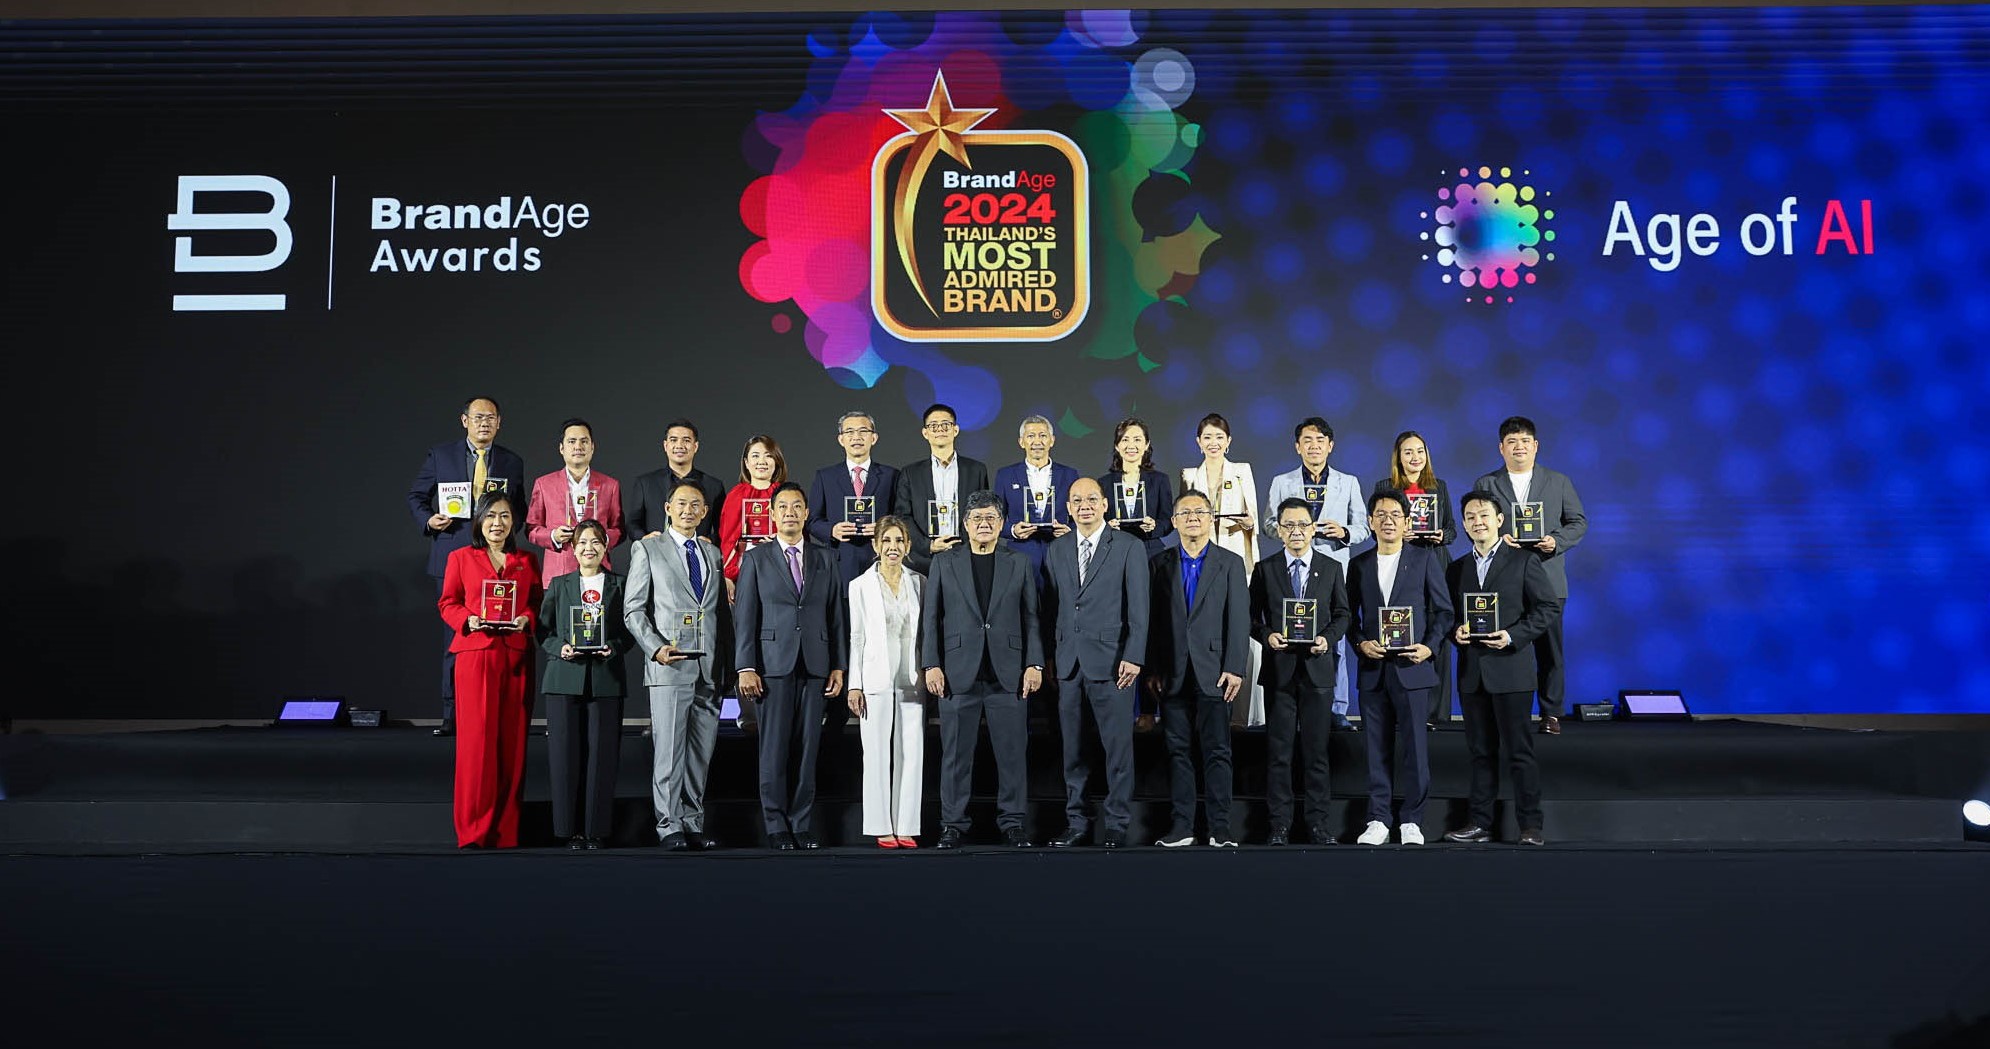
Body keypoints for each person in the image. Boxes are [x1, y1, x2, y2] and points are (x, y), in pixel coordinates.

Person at [921, 490, 1044, 849]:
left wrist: (1034, 663)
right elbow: (932, 618)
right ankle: (952, 824)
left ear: (1002, 523)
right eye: (977, 518)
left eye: (991, 517)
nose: (984, 524)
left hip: (1009, 674)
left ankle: (1013, 823)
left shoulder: (1018, 562)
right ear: (965, 524)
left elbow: (1031, 617)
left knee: (1012, 756)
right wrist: (932, 663)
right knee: (955, 757)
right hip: (957, 674)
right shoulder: (944, 562)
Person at [1444, 490, 1563, 846]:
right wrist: (1455, 632)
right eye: (1470, 517)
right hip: (1472, 673)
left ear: (1499, 520)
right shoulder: (1456, 568)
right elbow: (1447, 616)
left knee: (1519, 753)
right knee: (1480, 753)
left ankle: (1531, 826)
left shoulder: (1523, 561)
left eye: (1483, 515)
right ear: (1464, 524)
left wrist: (1513, 636)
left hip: (1512, 671)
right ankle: (1480, 823)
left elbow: (1547, 608)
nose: (1477, 522)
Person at [734, 482, 846, 849]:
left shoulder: (826, 558)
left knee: (808, 749)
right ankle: (776, 825)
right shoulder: (756, 558)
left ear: (806, 513)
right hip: (772, 666)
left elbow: (836, 616)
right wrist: (746, 666)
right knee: (774, 749)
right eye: (783, 507)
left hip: (815, 664)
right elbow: (745, 616)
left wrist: (838, 666)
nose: (790, 513)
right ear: (772, 514)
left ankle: (800, 824)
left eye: (797, 506)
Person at [408, 395, 527, 737]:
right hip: (452, 554)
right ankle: (452, 714)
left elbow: (518, 507)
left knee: (495, 638)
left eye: (490, 418)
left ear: (499, 423)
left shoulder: (511, 461)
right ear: (465, 421)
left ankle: (491, 709)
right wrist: (429, 520)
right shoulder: (441, 455)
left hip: (495, 559)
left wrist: (504, 535)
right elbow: (416, 496)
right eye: (478, 417)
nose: (484, 423)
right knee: (457, 636)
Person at [1043, 478, 1149, 848]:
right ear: (1068, 508)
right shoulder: (1057, 548)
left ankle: (1117, 823)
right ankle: (1077, 822)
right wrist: (1050, 655)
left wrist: (1134, 655)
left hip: (1114, 662)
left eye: (1091, 499)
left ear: (1105, 504)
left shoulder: (1128, 546)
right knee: (1073, 751)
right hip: (1069, 663)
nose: (1084, 505)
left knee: (1117, 750)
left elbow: (1139, 608)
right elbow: (1051, 607)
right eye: (1077, 500)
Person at [625, 479, 730, 851]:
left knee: (700, 754)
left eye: (696, 504)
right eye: (681, 503)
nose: (689, 510)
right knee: (669, 752)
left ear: (705, 512)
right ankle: (668, 825)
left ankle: (692, 822)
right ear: (668, 508)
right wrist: (655, 649)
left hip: (709, 668)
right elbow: (633, 610)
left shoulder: (712, 553)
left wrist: (729, 665)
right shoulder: (647, 548)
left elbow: (719, 615)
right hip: (669, 666)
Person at [1346, 490, 1452, 847]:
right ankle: (1378, 818)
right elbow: (1347, 616)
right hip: (1373, 670)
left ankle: (1412, 820)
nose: (1388, 520)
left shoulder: (1424, 559)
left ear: (1407, 522)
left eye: (1395, 514)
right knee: (1375, 748)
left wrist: (1429, 647)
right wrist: (1361, 643)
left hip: (1412, 668)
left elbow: (1444, 612)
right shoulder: (1359, 565)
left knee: (1415, 749)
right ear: (1370, 521)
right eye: (1381, 514)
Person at [436, 488, 540, 848]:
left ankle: (505, 831)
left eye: (505, 516)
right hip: (476, 656)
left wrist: (527, 619)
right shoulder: (461, 557)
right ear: (479, 520)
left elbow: (536, 604)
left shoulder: (527, 560)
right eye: (491, 516)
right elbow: (448, 602)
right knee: (477, 746)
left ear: (514, 522)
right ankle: (474, 831)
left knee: (513, 745)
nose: (498, 523)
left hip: (516, 657)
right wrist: (468, 620)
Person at [1145, 490, 1248, 848]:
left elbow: (1239, 619)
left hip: (1215, 672)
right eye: (1185, 513)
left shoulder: (1230, 562)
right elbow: (1152, 622)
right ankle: (1182, 828)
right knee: (1177, 752)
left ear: (1211, 518)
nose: (1192, 518)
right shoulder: (1159, 563)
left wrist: (1234, 667)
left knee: (1218, 751)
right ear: (1173, 521)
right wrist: (1152, 668)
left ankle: (1220, 828)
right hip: (1171, 673)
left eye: (1200, 512)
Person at [1472, 416, 1587, 735]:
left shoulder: (1558, 481)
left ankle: (1551, 713)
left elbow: (1578, 522)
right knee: (1504, 648)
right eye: (1512, 442)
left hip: (1548, 577)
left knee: (1550, 650)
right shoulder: (1487, 484)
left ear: (1535, 446)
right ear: (1501, 448)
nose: (1518, 447)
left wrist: (1556, 541)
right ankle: (1505, 712)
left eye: (1524, 441)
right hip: (1504, 579)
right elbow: (1477, 522)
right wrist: (1499, 539)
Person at [1250, 497, 1352, 845]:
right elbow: (1250, 617)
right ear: (1279, 531)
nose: (1296, 531)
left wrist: (1327, 639)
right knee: (1279, 754)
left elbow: (1343, 614)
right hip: (1279, 672)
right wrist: (1267, 635)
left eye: (1303, 525)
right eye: (1289, 525)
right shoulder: (1265, 569)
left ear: (1313, 529)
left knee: (1316, 753)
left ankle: (1318, 825)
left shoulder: (1331, 567)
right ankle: (1279, 825)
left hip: (1317, 671)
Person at [1262, 416, 1368, 732]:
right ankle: (1295, 704)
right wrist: (1296, 531)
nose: (1314, 446)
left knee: (1334, 636)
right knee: (1291, 634)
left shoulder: (1348, 482)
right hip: (1293, 566)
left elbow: (1363, 528)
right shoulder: (1282, 482)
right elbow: (1269, 524)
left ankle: (1337, 708)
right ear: (1297, 447)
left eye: (1320, 440)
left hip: (1333, 568)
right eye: (1307, 440)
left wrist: (1343, 532)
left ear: (1330, 446)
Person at [537, 519, 628, 850]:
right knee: (564, 757)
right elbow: (542, 630)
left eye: (596, 542)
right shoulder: (559, 584)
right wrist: (558, 647)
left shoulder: (620, 584)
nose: (589, 548)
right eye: (582, 543)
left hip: (606, 678)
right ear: (572, 549)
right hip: (564, 677)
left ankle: (596, 830)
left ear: (606, 547)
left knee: (602, 757)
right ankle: (568, 831)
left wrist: (613, 647)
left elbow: (630, 629)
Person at [1179, 412, 1267, 728]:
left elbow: (1254, 519)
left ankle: (1245, 712)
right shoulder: (1190, 475)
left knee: (1240, 630)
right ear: (1198, 442)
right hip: (1201, 560)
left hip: (1236, 559)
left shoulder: (1241, 471)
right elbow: (1184, 518)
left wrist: (1248, 522)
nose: (1213, 443)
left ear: (1228, 441)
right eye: (1207, 437)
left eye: (1219, 437)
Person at [846, 516, 927, 848]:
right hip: (874, 676)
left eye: (899, 541)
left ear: (908, 546)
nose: (893, 547)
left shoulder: (920, 582)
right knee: (876, 752)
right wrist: (854, 684)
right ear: (876, 545)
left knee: (912, 751)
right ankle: (881, 825)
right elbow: (856, 637)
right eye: (887, 541)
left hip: (912, 676)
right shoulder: (859, 585)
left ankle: (906, 824)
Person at [1375, 430, 1458, 731]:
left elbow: (1451, 529)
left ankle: (1434, 712)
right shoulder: (1385, 487)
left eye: (1420, 451)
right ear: (1398, 457)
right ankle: (1401, 707)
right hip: (1400, 563)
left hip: (1435, 562)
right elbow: (1376, 527)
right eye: (1408, 452)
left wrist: (1440, 535)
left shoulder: (1439, 487)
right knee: (1403, 627)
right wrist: (1399, 534)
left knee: (1438, 630)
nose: (1415, 457)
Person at [805, 410, 900, 589]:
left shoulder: (891, 475)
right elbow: (811, 520)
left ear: (874, 438)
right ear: (841, 439)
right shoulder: (826, 477)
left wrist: (884, 528)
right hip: (840, 563)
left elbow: (901, 517)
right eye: (849, 432)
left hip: (881, 559)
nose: (856, 437)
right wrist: (832, 530)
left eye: (863, 431)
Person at [893, 403, 990, 576]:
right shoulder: (910, 473)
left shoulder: (976, 470)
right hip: (925, 559)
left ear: (955, 430)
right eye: (933, 426)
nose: (940, 430)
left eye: (946, 425)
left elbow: (983, 511)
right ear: (925, 433)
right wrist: (928, 545)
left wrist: (968, 544)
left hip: (966, 554)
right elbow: (903, 516)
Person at [526, 418, 624, 585]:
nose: (578, 446)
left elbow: (619, 529)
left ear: (592, 447)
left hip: (598, 571)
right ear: (561, 448)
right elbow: (531, 529)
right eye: (572, 441)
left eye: (584, 441)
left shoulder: (610, 485)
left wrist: (600, 539)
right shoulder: (544, 484)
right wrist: (553, 536)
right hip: (558, 574)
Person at [992, 414, 1078, 585]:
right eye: (1031, 436)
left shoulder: (1069, 474)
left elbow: (1080, 515)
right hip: (1020, 555)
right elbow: (995, 518)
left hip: (1059, 552)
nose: (1037, 441)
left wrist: (1070, 530)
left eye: (1043, 435)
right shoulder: (1005, 475)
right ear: (1021, 442)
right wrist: (1013, 530)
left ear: (1052, 440)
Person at [627, 419, 727, 544]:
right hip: (656, 551)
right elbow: (632, 524)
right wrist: (644, 539)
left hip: (696, 551)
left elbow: (724, 528)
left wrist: (710, 541)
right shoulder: (645, 483)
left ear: (695, 446)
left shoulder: (713, 486)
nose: (679, 445)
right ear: (665, 445)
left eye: (686, 440)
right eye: (673, 440)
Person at [719, 434, 788, 598]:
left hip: (781, 568)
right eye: (755, 456)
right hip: (744, 571)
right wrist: (728, 575)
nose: (761, 461)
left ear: (776, 461)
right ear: (746, 463)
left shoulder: (786, 494)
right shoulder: (736, 495)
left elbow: (799, 534)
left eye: (768, 455)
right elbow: (728, 538)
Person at [1101, 416, 1176, 560]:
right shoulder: (1104, 483)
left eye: (1137, 439)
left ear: (1147, 444)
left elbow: (1168, 521)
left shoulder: (1160, 480)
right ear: (1117, 446)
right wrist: (1106, 527)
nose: (1131, 445)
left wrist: (1154, 526)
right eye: (1125, 440)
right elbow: (1097, 521)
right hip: (1115, 551)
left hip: (1150, 552)